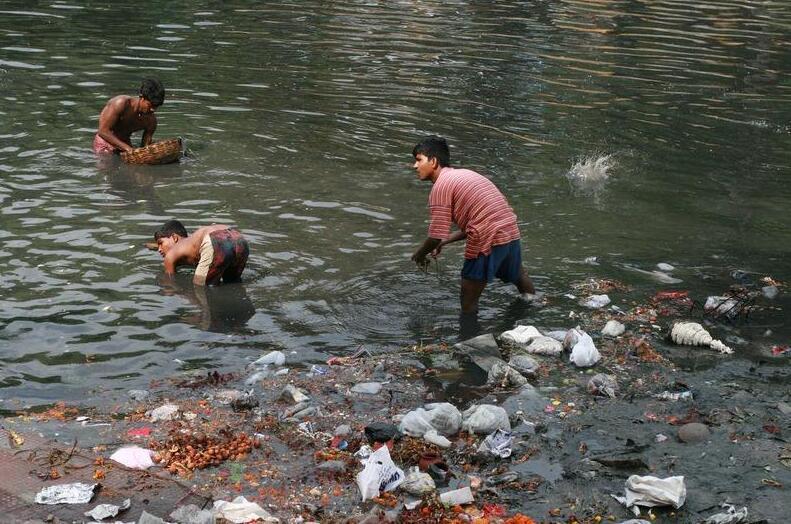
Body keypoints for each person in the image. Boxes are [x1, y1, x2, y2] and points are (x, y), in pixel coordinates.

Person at [410, 136, 536, 314]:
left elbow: (435, 235)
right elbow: (476, 222)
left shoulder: (440, 187)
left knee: (468, 299)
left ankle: (470, 338)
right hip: (509, 229)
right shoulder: (465, 175)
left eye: (418, 160)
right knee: (518, 275)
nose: (414, 166)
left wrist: (419, 255)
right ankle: (531, 309)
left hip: (488, 236)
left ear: (434, 161)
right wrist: (443, 243)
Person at [154, 220, 250, 286]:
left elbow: (171, 284)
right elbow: (224, 238)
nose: (159, 249)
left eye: (160, 243)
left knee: (200, 288)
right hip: (239, 239)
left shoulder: (171, 255)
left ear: (174, 237)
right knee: (232, 283)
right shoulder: (191, 242)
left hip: (215, 240)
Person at [93, 78, 165, 154]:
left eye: (156, 107)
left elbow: (145, 148)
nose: (153, 109)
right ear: (142, 97)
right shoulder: (121, 104)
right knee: (107, 161)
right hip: (105, 143)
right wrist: (129, 149)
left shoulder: (151, 122)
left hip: (125, 144)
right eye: (150, 105)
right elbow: (103, 131)